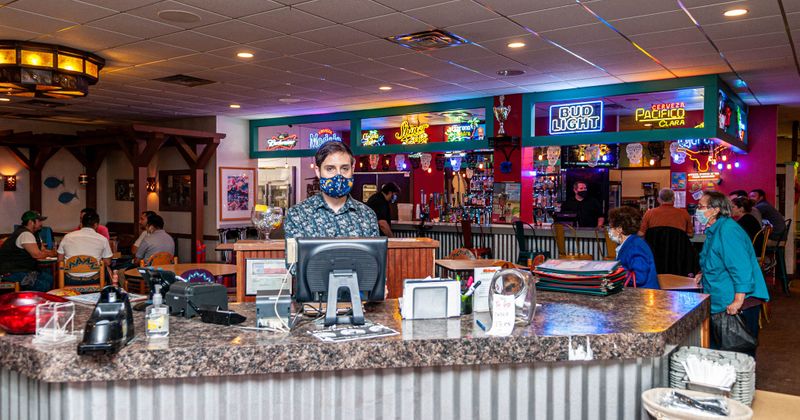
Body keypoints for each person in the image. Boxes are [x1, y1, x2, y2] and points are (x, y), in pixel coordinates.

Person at [695, 191, 769, 356]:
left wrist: (738, 300)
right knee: (722, 353)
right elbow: (716, 258)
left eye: (701, 207)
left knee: (736, 355)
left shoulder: (728, 231)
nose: (697, 211)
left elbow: (741, 267)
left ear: (715, 210)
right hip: (721, 299)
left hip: (736, 302)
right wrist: (703, 273)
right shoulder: (715, 229)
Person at [284, 142, 379, 238]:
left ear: (352, 169)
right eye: (330, 169)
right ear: (318, 171)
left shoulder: (367, 215)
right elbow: (294, 252)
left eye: (345, 168)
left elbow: (374, 252)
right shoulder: (298, 214)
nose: (338, 175)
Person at [0, 211, 56, 291]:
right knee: (44, 285)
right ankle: (33, 302)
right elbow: (37, 254)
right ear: (31, 222)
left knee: (49, 278)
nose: (41, 223)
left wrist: (47, 253)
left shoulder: (30, 233)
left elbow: (41, 250)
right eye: (39, 221)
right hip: (12, 273)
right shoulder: (25, 234)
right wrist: (51, 253)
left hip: (21, 270)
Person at [608, 206, 659, 289]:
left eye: (611, 227)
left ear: (619, 229)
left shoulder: (635, 246)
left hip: (643, 296)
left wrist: (615, 273)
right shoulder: (632, 242)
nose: (609, 231)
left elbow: (639, 277)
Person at [58, 211, 113, 280]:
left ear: (82, 224)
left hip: (70, 280)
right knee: (108, 270)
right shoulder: (102, 239)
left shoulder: (67, 237)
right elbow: (107, 262)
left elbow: (60, 260)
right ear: (96, 225)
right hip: (94, 280)